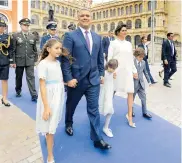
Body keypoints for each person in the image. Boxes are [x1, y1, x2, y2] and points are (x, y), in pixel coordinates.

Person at [62, 9, 111, 149]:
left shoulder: (97, 37)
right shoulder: (70, 36)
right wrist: (68, 78)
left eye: (87, 16)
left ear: (91, 18)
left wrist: (101, 73)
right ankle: (69, 123)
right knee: (71, 105)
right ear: (78, 18)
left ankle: (96, 139)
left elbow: (100, 57)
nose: (85, 17)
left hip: (94, 80)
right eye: (82, 15)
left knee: (94, 109)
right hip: (76, 80)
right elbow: (65, 59)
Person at [36, 39, 68, 163]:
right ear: (48, 49)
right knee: (50, 126)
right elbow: (42, 86)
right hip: (49, 98)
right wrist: (46, 107)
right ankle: (50, 155)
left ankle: (49, 138)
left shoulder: (57, 63)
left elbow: (57, 80)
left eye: (60, 48)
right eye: (56, 48)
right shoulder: (43, 64)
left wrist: (66, 83)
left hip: (58, 96)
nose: (59, 50)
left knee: (52, 123)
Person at [108, 24, 137, 128]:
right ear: (118, 32)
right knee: (111, 92)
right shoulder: (113, 43)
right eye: (123, 30)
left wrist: (134, 70)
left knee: (130, 92)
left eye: (126, 30)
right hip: (117, 71)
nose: (125, 32)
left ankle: (129, 116)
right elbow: (110, 58)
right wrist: (111, 70)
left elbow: (131, 58)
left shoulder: (129, 44)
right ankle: (107, 113)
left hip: (128, 71)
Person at [12, 18, 38, 101]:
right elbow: (13, 50)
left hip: (30, 60)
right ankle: (18, 90)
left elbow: (35, 49)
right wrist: (13, 61)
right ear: (21, 25)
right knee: (19, 77)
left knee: (31, 77)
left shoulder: (32, 36)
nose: (26, 26)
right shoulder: (15, 36)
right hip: (19, 60)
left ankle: (34, 94)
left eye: (27, 25)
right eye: (24, 25)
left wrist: (35, 59)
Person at [99, 59, 118, 137]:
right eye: (111, 67)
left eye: (114, 68)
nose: (112, 70)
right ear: (108, 66)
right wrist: (101, 80)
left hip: (109, 95)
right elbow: (101, 84)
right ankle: (100, 127)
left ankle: (106, 127)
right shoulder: (104, 73)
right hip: (103, 94)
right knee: (99, 109)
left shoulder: (113, 73)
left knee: (110, 111)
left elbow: (113, 84)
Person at [133, 48, 152, 119]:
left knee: (144, 98)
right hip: (133, 84)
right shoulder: (132, 62)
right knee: (132, 99)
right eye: (140, 57)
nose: (141, 58)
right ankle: (131, 111)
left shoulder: (143, 62)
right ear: (136, 56)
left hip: (141, 84)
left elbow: (145, 72)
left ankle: (145, 112)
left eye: (142, 57)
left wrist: (149, 81)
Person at [0, 20, 14, 107]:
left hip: (4, 60)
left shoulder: (8, 37)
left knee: (5, 80)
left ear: (5, 27)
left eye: (2, 26)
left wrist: (11, 61)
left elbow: (11, 49)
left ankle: (4, 98)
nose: (1, 27)